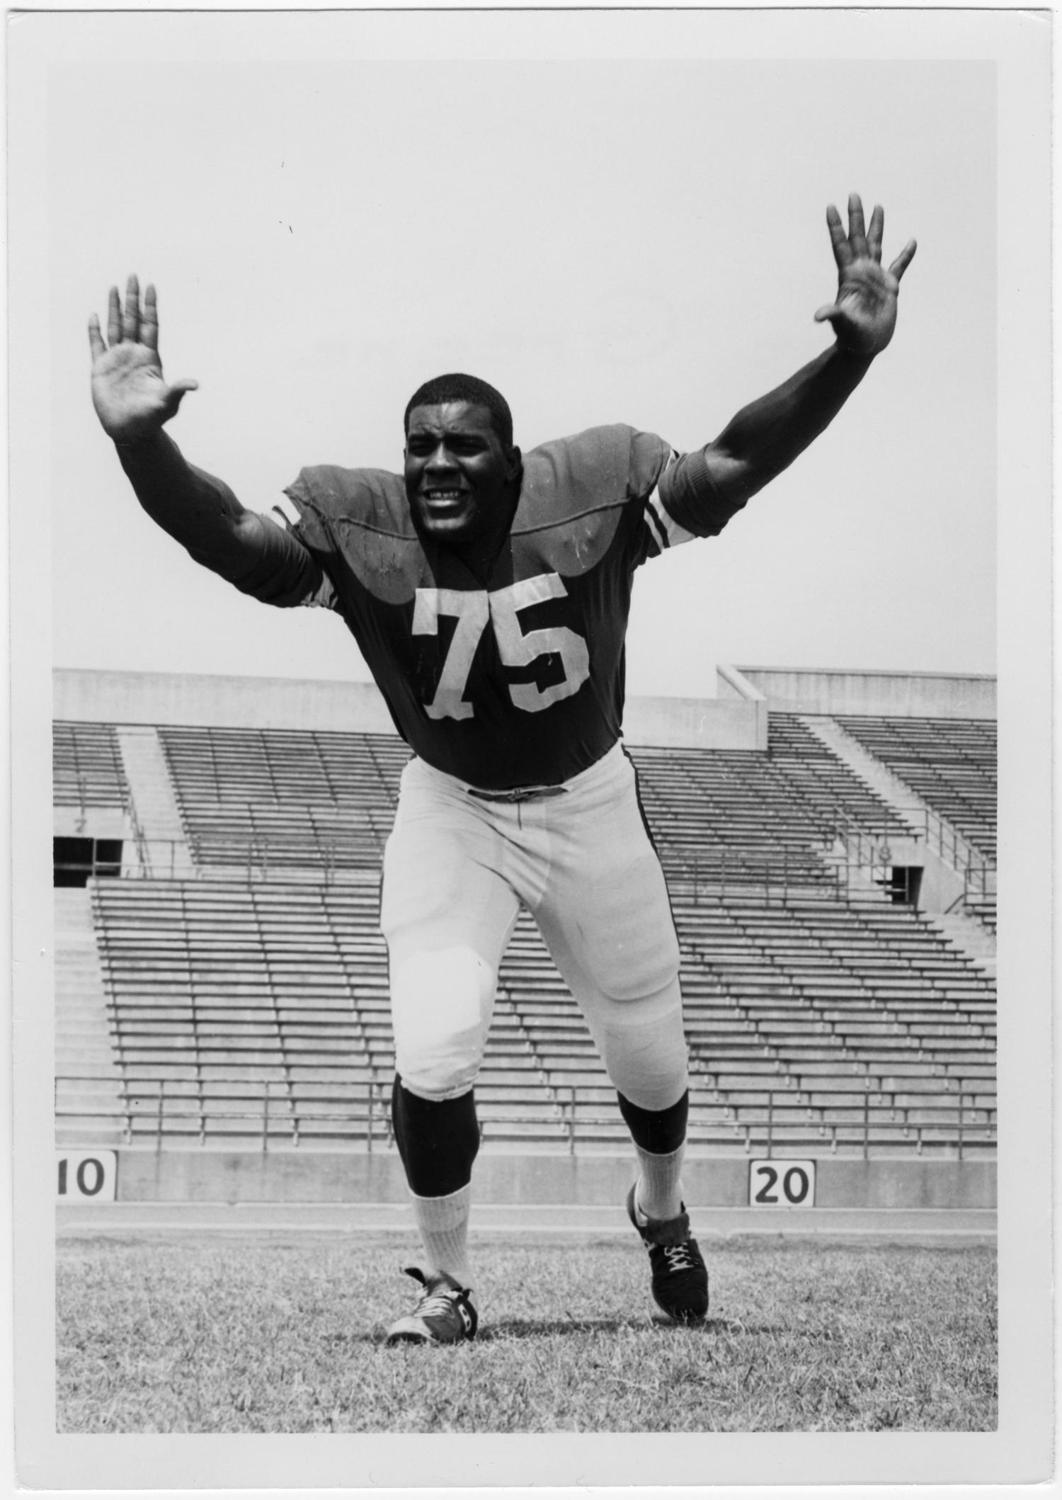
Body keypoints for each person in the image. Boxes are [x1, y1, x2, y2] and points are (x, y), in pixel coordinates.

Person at [88, 194, 916, 1344]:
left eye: (462, 445)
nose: (435, 463)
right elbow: (235, 541)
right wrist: (143, 441)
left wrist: (845, 359)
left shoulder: (593, 489)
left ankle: (661, 1211)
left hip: (590, 800)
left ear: (513, 459)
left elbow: (729, 463)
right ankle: (450, 1283)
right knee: (432, 1043)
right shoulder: (359, 521)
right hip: (454, 804)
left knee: (651, 1051)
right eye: (419, 443)